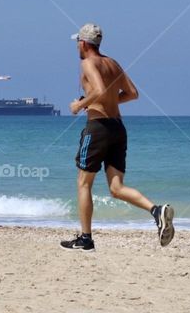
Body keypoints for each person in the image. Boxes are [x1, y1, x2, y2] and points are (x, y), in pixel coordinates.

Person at [60, 23, 174, 251]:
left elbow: (100, 90)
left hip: (98, 128)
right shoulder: (113, 63)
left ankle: (86, 238)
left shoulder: (87, 63)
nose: (77, 47)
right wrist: (104, 100)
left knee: (84, 183)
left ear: (83, 43)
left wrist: (78, 105)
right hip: (118, 128)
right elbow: (132, 94)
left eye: (77, 43)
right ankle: (157, 210)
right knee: (116, 187)